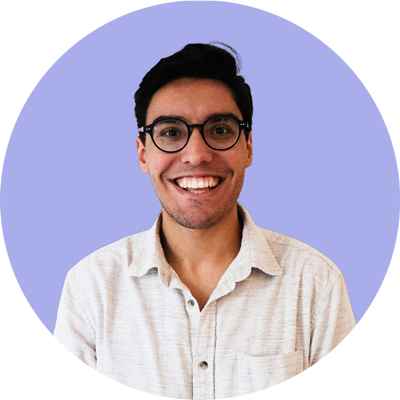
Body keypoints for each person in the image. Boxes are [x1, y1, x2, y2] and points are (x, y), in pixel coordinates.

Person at [54, 43, 355, 399]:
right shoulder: (91, 287)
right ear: (142, 153)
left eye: (220, 130)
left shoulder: (316, 284)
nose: (197, 155)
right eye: (171, 133)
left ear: (248, 146)